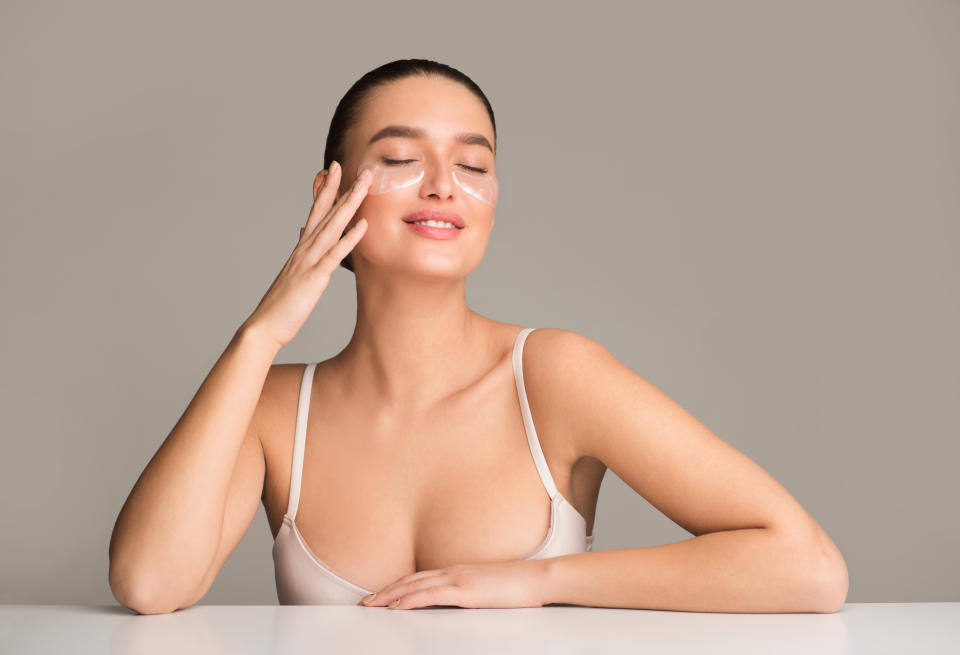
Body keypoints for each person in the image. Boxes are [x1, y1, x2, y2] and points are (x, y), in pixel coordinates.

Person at [108, 59, 848, 615]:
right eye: (400, 158)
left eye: (473, 163)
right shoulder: (272, 407)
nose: (443, 184)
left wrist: (539, 581)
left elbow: (808, 567)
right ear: (331, 193)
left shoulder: (555, 375)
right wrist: (261, 331)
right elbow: (149, 583)